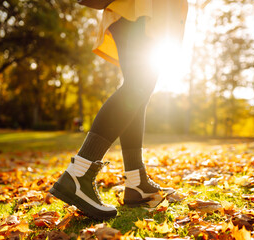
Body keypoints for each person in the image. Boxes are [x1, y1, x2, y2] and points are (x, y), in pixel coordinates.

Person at [50, 0, 188, 220]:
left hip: (137, 9)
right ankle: (79, 174)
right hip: (141, 7)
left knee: (138, 92)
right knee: (138, 86)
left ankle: (136, 182)